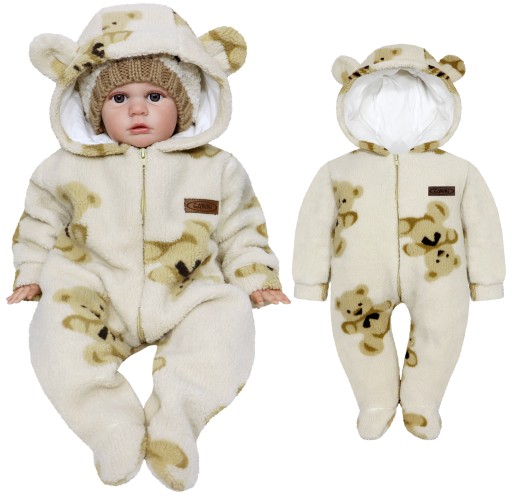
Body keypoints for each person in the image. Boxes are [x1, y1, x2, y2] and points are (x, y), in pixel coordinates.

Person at [8, 4, 289, 491]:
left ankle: (177, 421)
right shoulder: (64, 167)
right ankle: (109, 426)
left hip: (186, 293)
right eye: (118, 98)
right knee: (55, 342)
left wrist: (256, 277)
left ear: (185, 103)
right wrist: (30, 271)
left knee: (228, 321)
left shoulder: (216, 167)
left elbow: (241, 227)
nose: (137, 109)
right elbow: (39, 221)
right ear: (94, 109)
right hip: (93, 289)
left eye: (155, 95)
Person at [293, 44, 505, 441]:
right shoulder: (337, 171)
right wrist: (310, 280)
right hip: (358, 275)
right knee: (356, 333)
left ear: (441, 105)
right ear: (356, 104)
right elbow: (313, 225)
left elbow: (483, 225)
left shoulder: (458, 171)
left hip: (442, 277)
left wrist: (487, 280)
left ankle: (423, 401)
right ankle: (374, 401)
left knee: (442, 330)